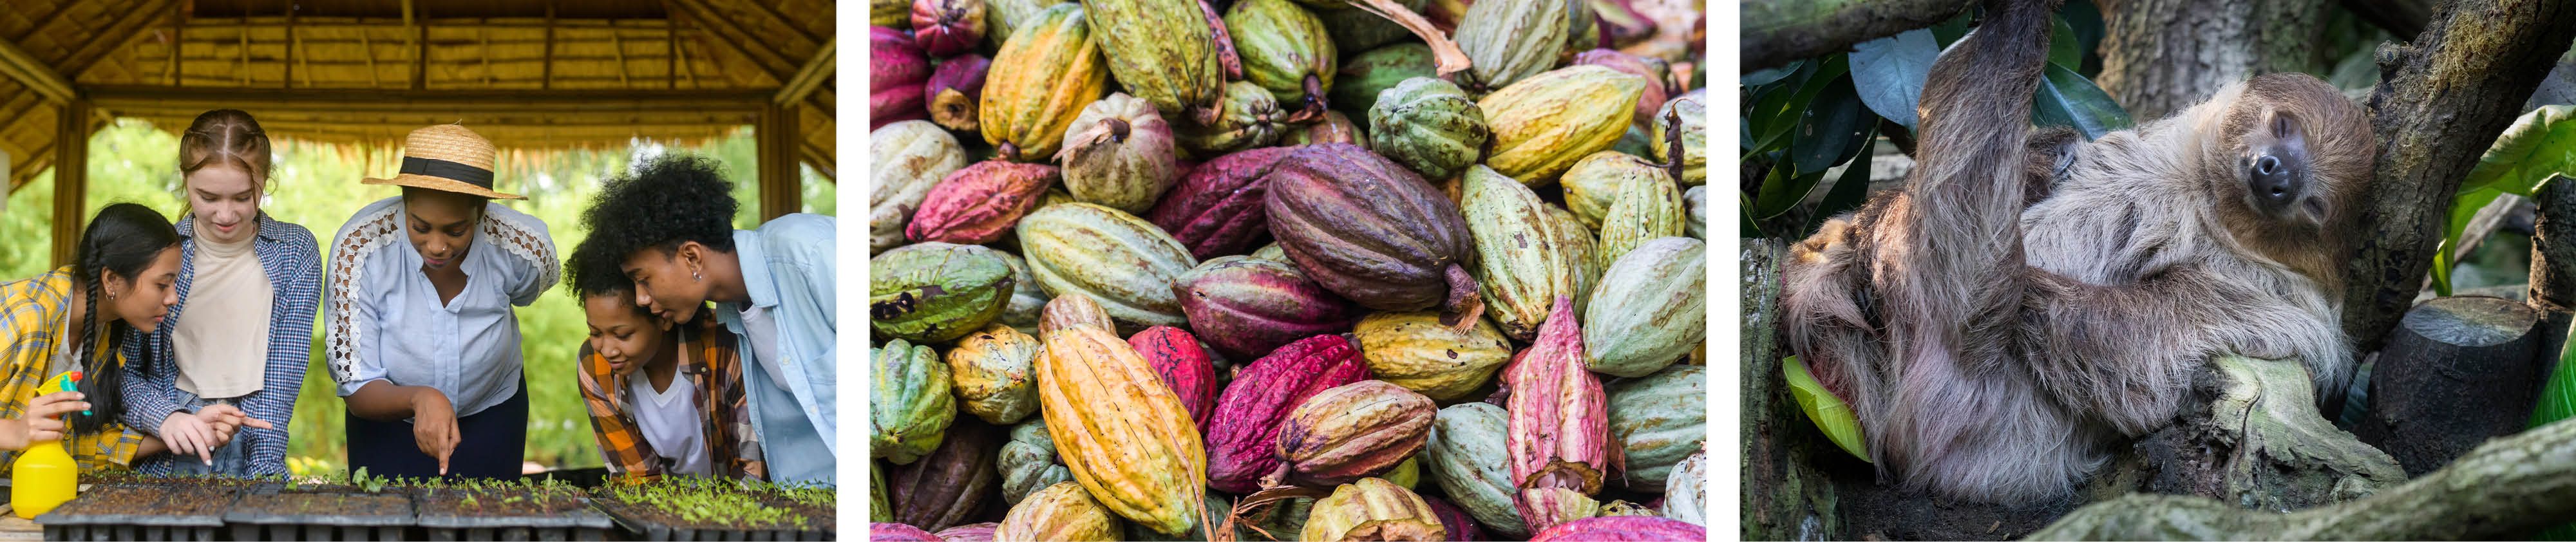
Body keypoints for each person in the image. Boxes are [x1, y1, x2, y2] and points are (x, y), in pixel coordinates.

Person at [579, 155, 835, 485]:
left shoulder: (808, 251)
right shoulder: (733, 324)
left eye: (643, 279)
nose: (641, 298)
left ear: (692, 257)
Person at [325, 124, 557, 479]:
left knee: (487, 524)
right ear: (403, 200)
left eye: (455, 231)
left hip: (493, 413)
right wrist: (419, 398)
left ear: (481, 211)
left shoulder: (524, 250)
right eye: (420, 227)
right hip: (387, 422)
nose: (436, 246)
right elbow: (356, 385)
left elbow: (528, 292)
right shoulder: (359, 250)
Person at [118, 109, 319, 477]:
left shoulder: (296, 251)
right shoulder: (156, 253)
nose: (225, 214)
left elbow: (283, 371)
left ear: (265, 180)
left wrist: (263, 467)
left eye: (243, 197)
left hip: (257, 428)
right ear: (185, 180)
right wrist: (169, 420)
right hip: (169, 436)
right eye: (208, 197)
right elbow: (121, 371)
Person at [0, 203, 267, 472]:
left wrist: (192, 427)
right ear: (111, 280)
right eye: (162, 285)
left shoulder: (104, 335)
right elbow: (20, 435)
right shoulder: (24, 315)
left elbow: (83, 449)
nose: (173, 298)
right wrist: (14, 431)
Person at [566, 237, 764, 483]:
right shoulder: (594, 365)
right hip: (663, 511)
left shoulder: (723, 345)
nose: (606, 349)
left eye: (622, 335)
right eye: (595, 333)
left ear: (663, 318)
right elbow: (639, 479)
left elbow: (753, 473)